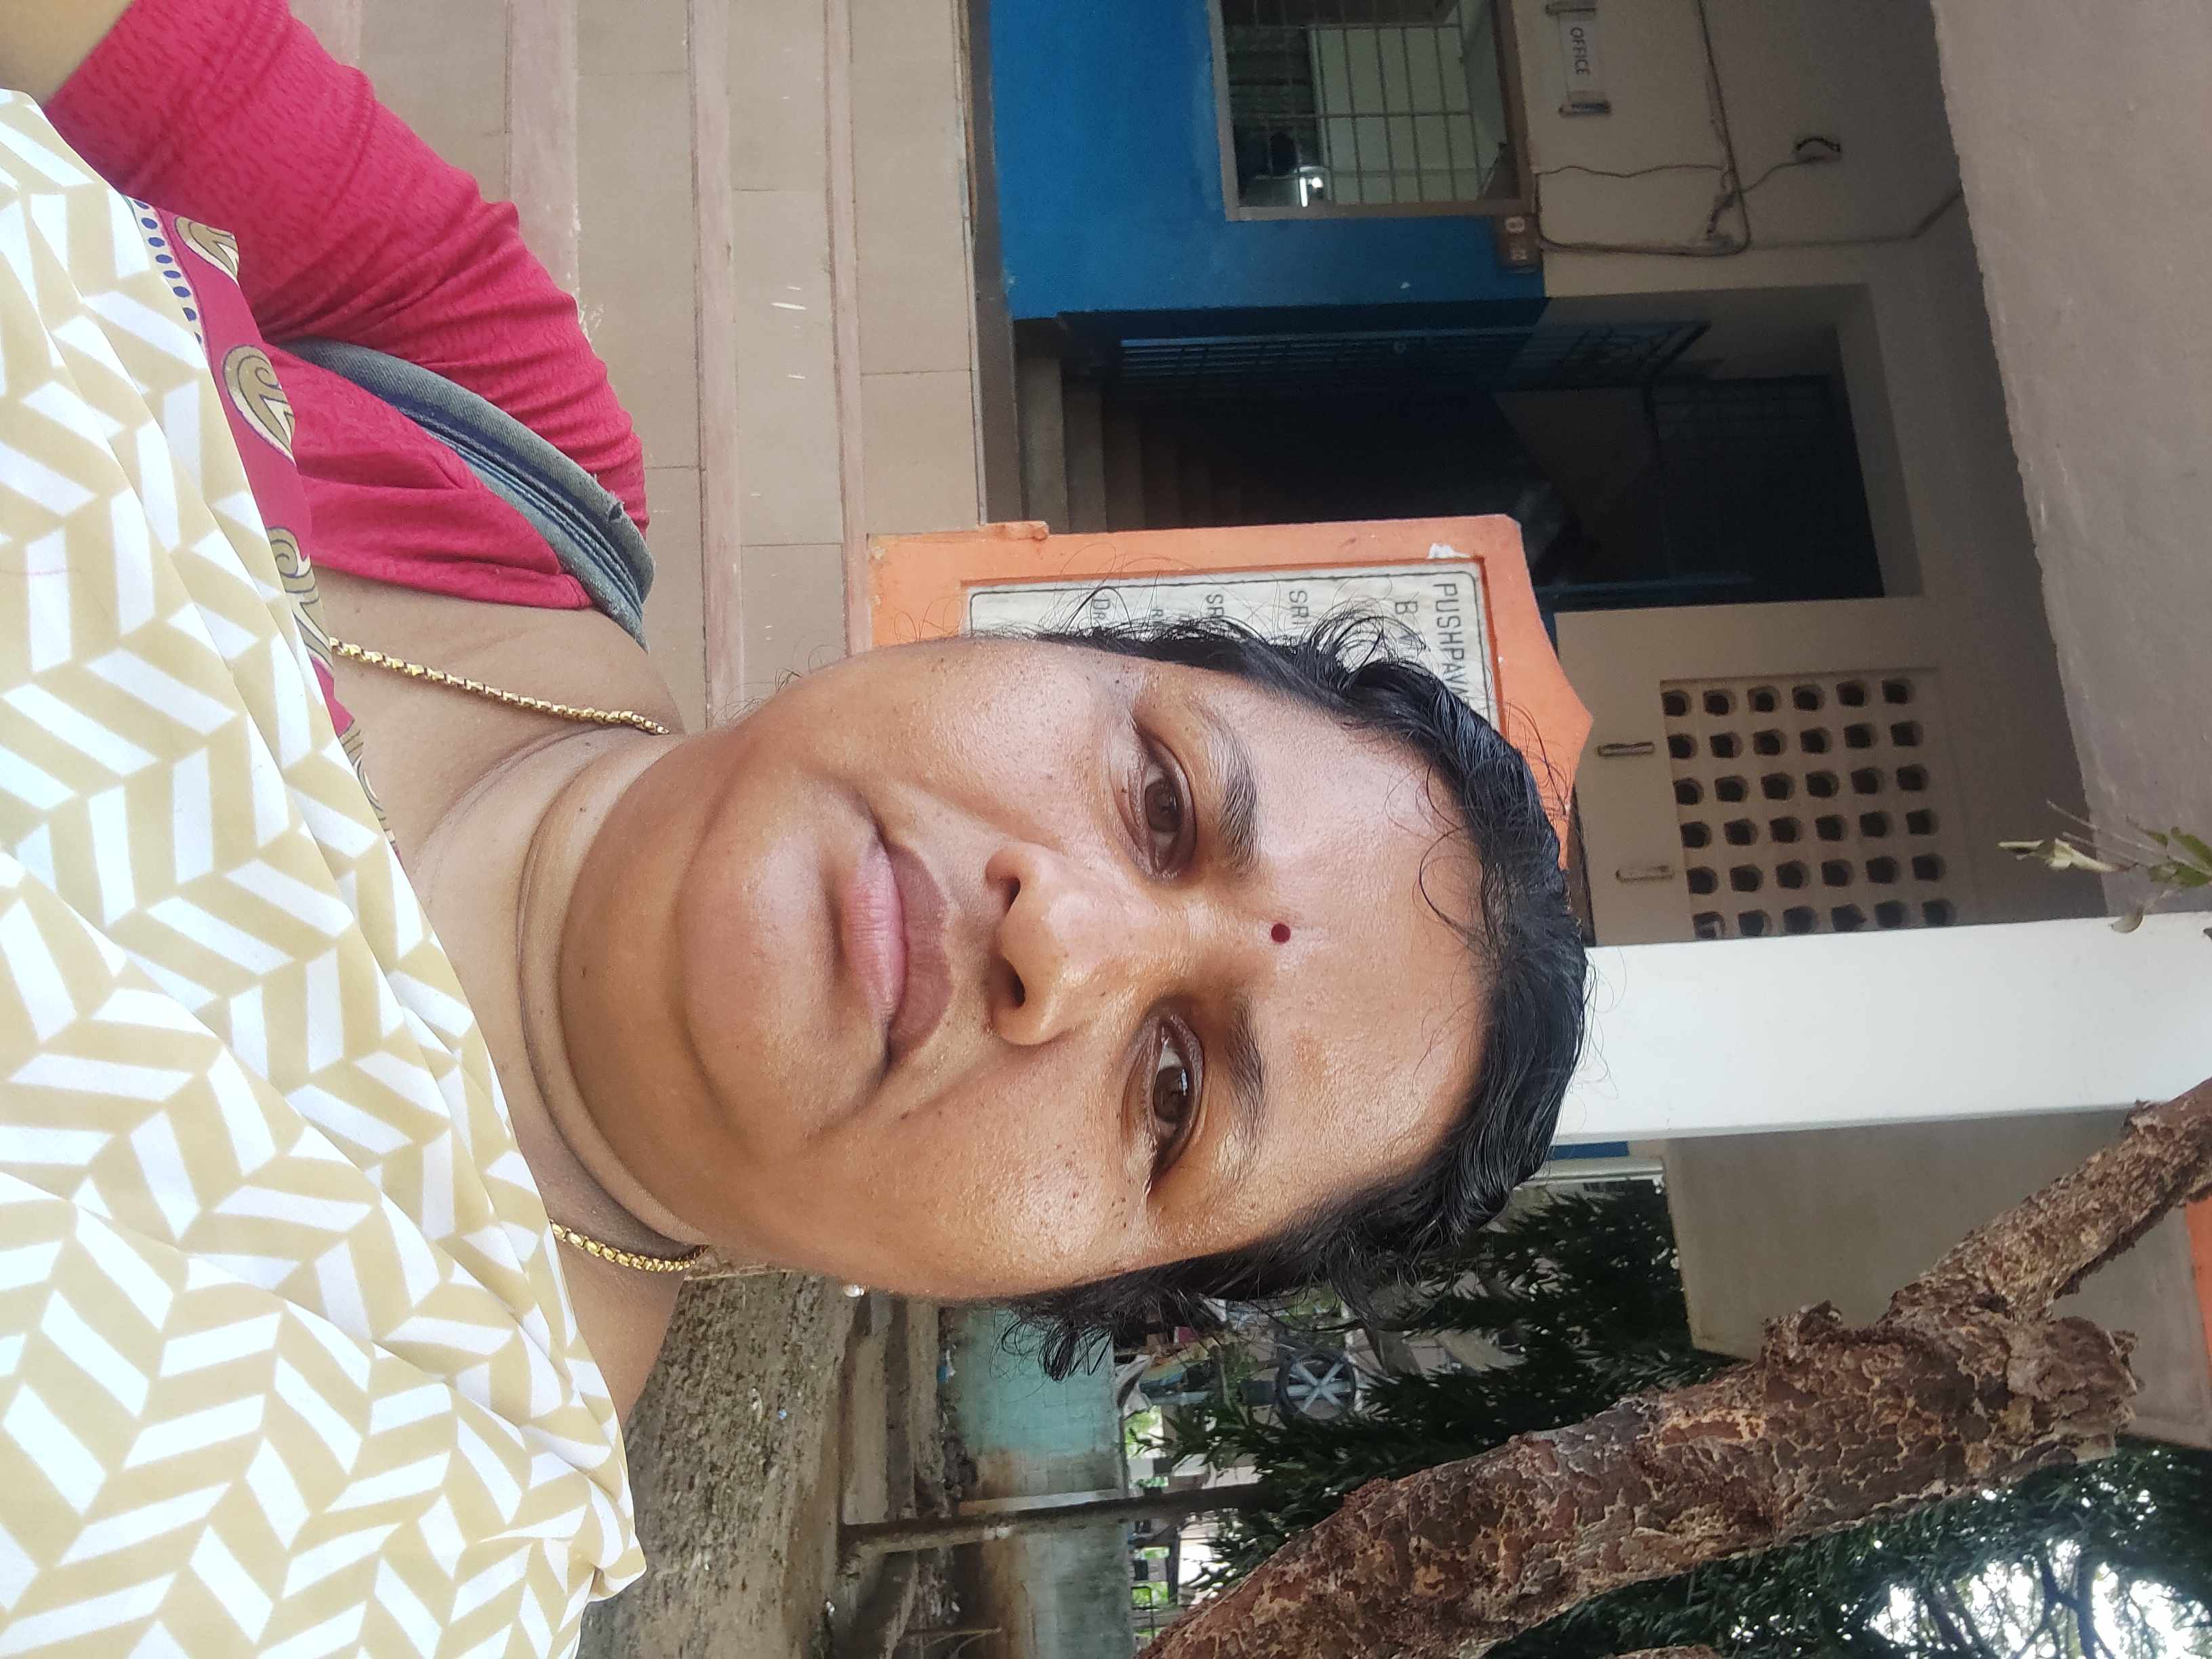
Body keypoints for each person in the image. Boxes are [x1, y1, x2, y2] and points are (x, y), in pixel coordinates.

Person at [0, 0, 1586, 1650]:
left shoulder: (376, 1545)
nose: (1060, 938)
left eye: (1175, 1092)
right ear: (1052, 647)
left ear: (1039, 1293)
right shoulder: (486, 418)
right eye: (1164, 800)